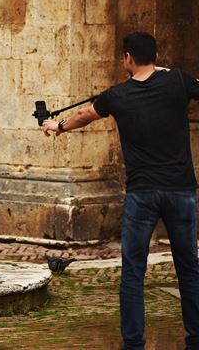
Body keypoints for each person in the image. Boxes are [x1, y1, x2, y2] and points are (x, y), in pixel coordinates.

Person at [41, 31, 199, 350]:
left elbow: (85, 115)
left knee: (133, 272)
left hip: (142, 194)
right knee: (189, 268)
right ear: (155, 56)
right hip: (180, 191)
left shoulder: (117, 96)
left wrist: (57, 126)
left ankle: (133, 343)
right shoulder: (178, 81)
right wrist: (176, 77)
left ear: (127, 58)